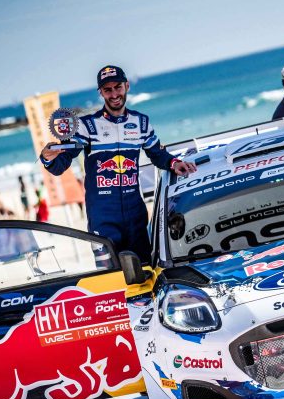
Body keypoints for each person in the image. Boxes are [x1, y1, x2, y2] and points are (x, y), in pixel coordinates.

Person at [40, 65, 197, 260]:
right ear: (101, 92)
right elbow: (60, 165)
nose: (114, 94)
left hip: (135, 215)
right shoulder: (86, 126)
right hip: (103, 219)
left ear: (127, 86)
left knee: (144, 270)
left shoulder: (141, 123)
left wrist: (174, 163)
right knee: (111, 273)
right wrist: (48, 157)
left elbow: (157, 153)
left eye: (118, 87)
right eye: (108, 90)